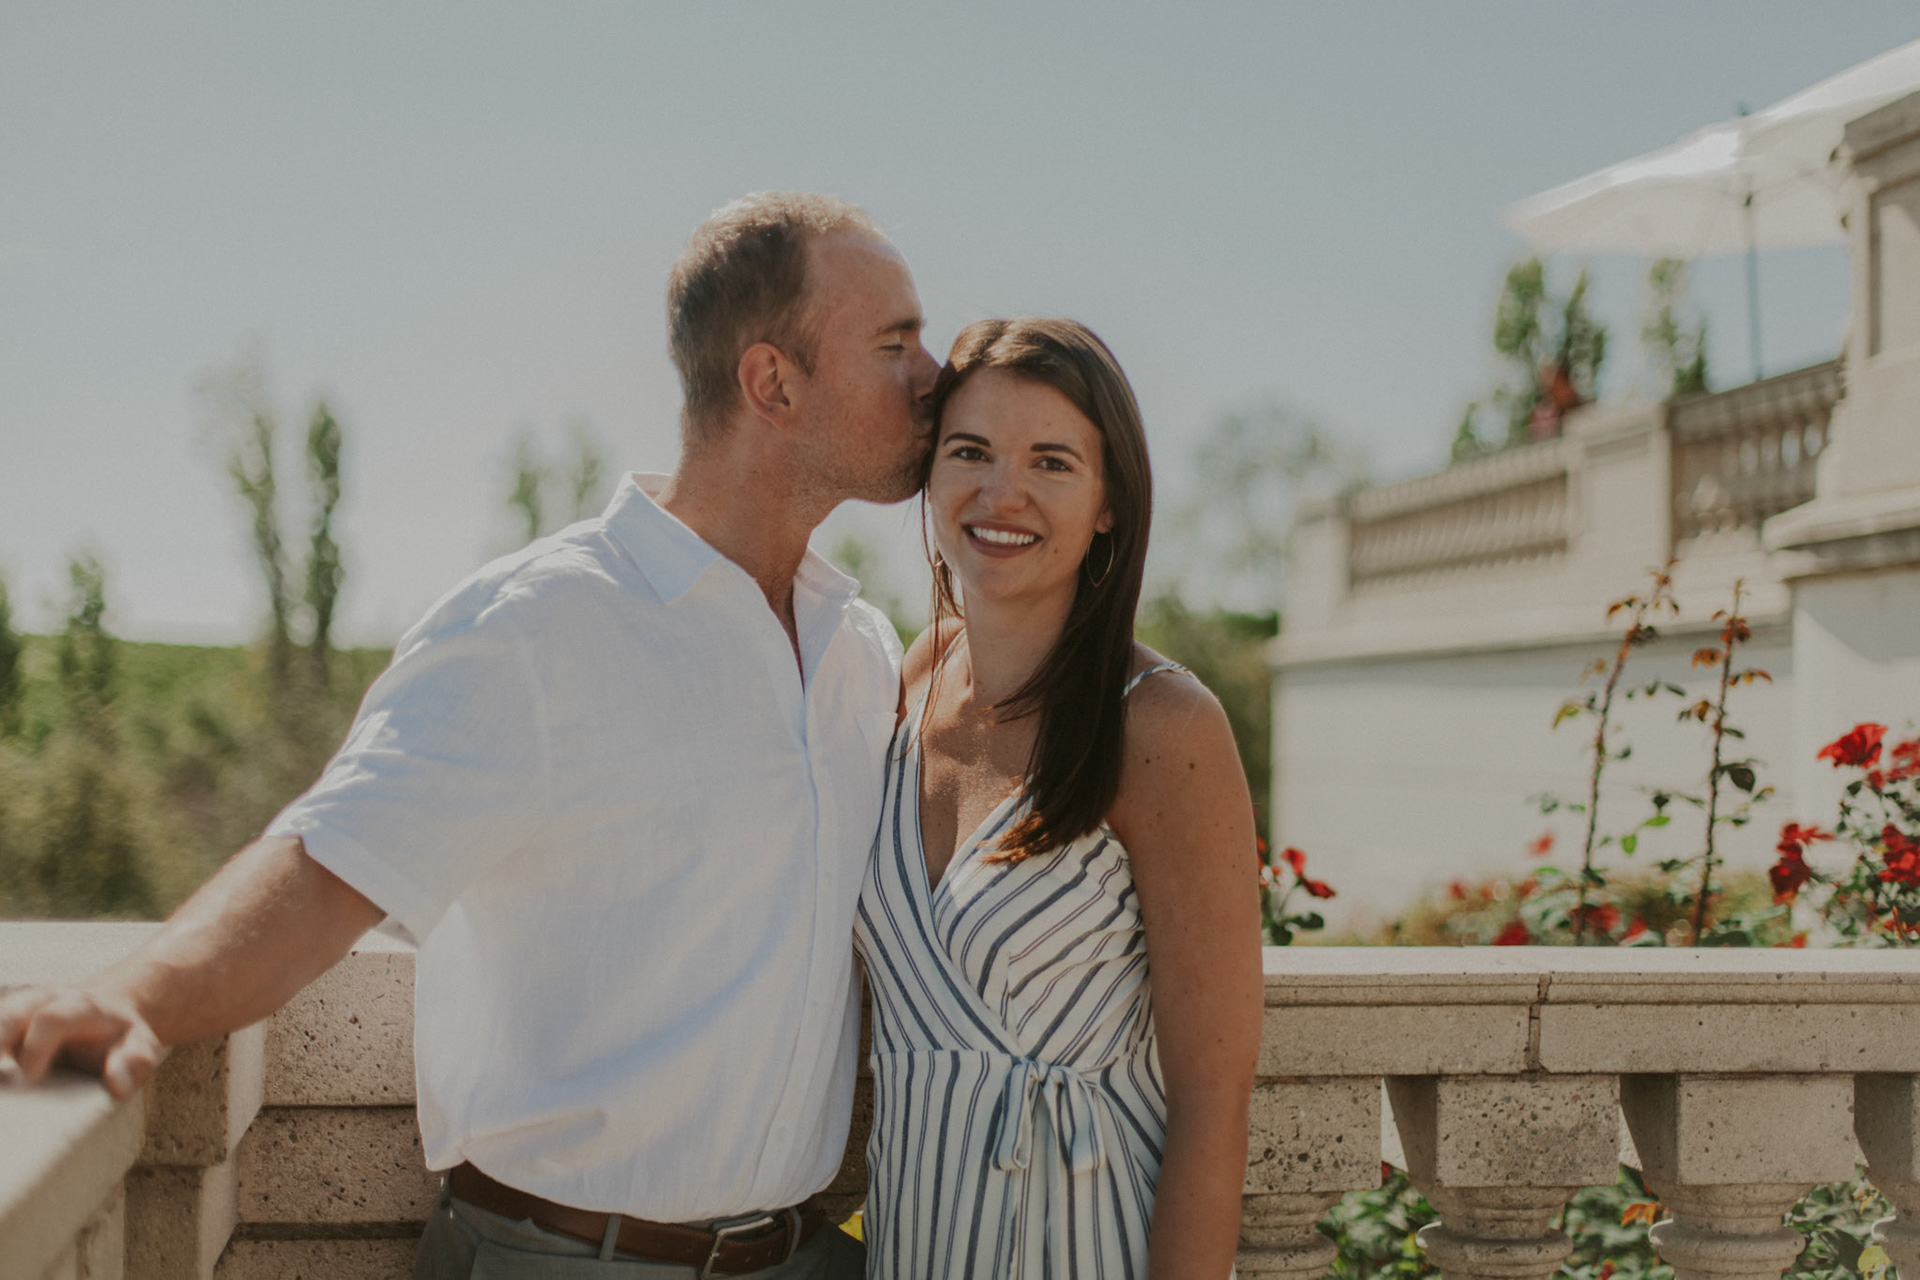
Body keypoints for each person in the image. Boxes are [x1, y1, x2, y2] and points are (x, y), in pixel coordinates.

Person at [0, 191, 940, 1280]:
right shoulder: (538, 624)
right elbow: (326, 860)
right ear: (772, 379)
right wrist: (132, 999)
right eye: (894, 342)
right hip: (564, 1262)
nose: (934, 370)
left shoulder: (860, 646)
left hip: (806, 1256)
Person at [855, 318, 1263, 1279]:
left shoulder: (1163, 727)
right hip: (915, 1242)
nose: (1003, 493)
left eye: (1051, 462)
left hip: (1086, 1245)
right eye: (971, 451)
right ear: (931, 473)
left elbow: (1214, 1100)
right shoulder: (910, 682)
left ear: (1109, 502)